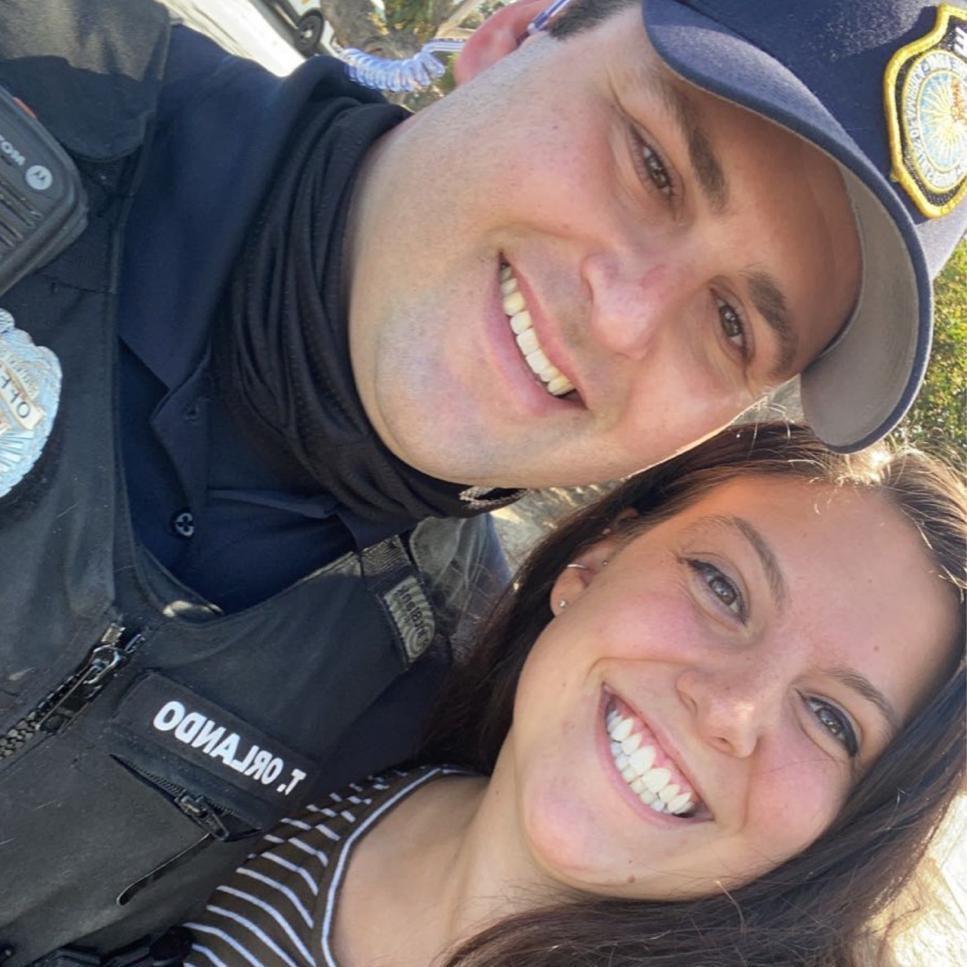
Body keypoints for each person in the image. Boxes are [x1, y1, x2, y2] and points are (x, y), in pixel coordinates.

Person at [0, 0, 964, 961]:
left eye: (731, 325)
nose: (623, 318)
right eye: (653, 166)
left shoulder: (419, 694)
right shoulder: (33, 77)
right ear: (509, 35)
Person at [181, 423, 967, 967]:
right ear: (595, 559)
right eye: (723, 587)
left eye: (831, 719)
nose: (731, 708)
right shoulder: (340, 729)